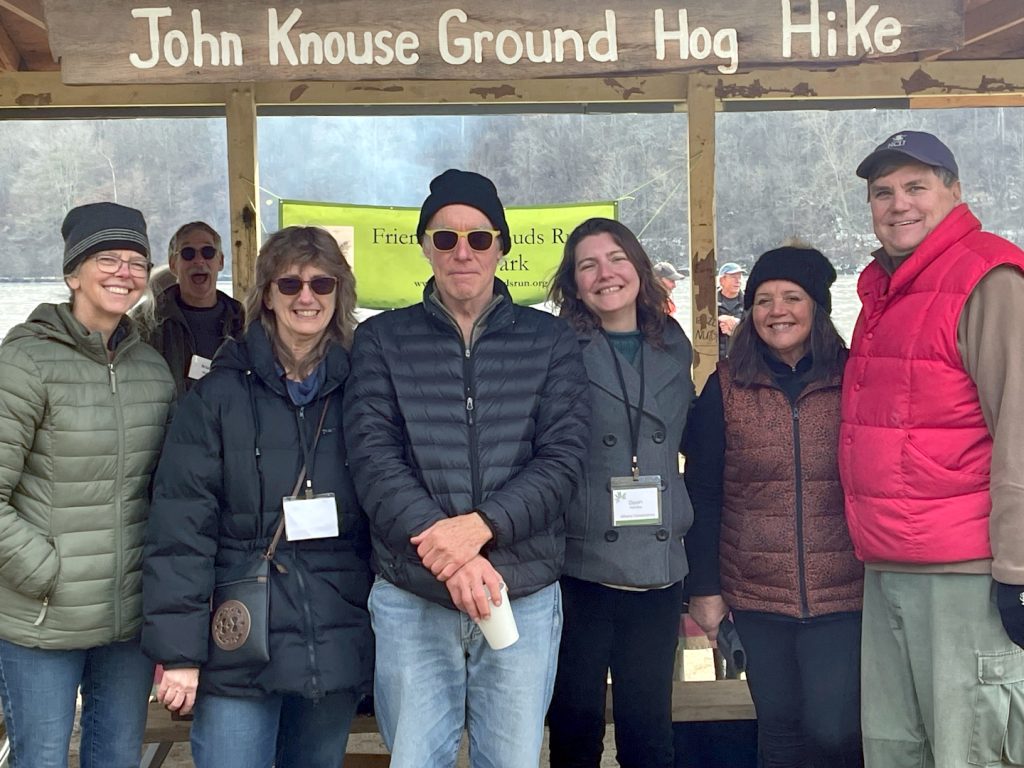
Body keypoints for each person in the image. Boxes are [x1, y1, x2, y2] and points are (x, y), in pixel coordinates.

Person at [343, 169, 590, 768]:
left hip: (520, 590)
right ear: (425, 245)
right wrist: (448, 553)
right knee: (414, 759)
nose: (463, 252)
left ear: (502, 246)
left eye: (479, 238)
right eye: (445, 237)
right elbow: (373, 458)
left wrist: (478, 529)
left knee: (510, 761)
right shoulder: (380, 340)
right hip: (414, 593)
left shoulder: (551, 340)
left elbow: (564, 458)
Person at [141, 226, 373, 768]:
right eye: (290, 283)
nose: (306, 296)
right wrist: (178, 654)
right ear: (266, 293)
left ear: (340, 293)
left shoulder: (366, 390)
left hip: (333, 635)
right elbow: (180, 527)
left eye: (322, 283)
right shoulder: (216, 397)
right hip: (240, 637)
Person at [841, 130, 1024, 767]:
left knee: (969, 750)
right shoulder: (885, 291)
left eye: (916, 186)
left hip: (967, 575)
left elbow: (1020, 431)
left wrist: (1020, 574)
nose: (899, 204)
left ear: (955, 191)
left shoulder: (989, 277)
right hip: (888, 566)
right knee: (897, 750)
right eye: (882, 192)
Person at [0, 202, 175, 767]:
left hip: (127, 616)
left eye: (136, 260)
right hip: (44, 617)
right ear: (73, 271)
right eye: (108, 258)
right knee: (43, 757)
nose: (124, 272)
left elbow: (166, 492)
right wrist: (46, 571)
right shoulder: (24, 364)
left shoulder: (151, 369)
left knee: (117, 756)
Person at [685, 246, 864, 767]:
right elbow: (703, 490)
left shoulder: (853, 378)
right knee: (779, 730)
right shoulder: (725, 389)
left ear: (818, 307)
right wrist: (705, 590)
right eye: (763, 299)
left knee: (835, 730)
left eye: (792, 297)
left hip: (845, 595)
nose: (776, 310)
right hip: (758, 594)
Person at [546, 219, 696, 768]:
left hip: (658, 564)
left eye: (615, 258)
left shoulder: (674, 344)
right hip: (581, 561)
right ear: (574, 283)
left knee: (649, 727)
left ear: (637, 265)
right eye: (588, 265)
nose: (605, 274)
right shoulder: (556, 349)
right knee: (576, 724)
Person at [138, 221, 244, 395]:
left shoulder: (244, 321)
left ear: (221, 261)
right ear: (173, 264)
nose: (199, 260)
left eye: (208, 252)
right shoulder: (147, 322)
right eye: (188, 253)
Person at [717, 262, 744, 358]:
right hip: (716, 359)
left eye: (740, 277)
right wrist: (719, 319)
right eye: (733, 277)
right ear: (722, 280)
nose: (738, 281)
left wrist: (737, 325)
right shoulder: (710, 301)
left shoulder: (748, 302)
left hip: (741, 359)